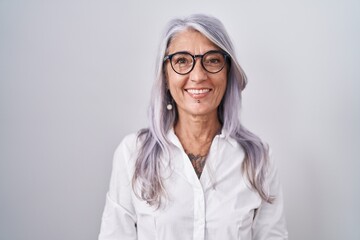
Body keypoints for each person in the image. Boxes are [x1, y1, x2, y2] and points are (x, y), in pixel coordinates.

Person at [98, 14, 288, 240]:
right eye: (182, 61)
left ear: (228, 72)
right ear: (166, 76)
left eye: (213, 60)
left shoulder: (258, 158)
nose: (198, 76)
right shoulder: (132, 154)